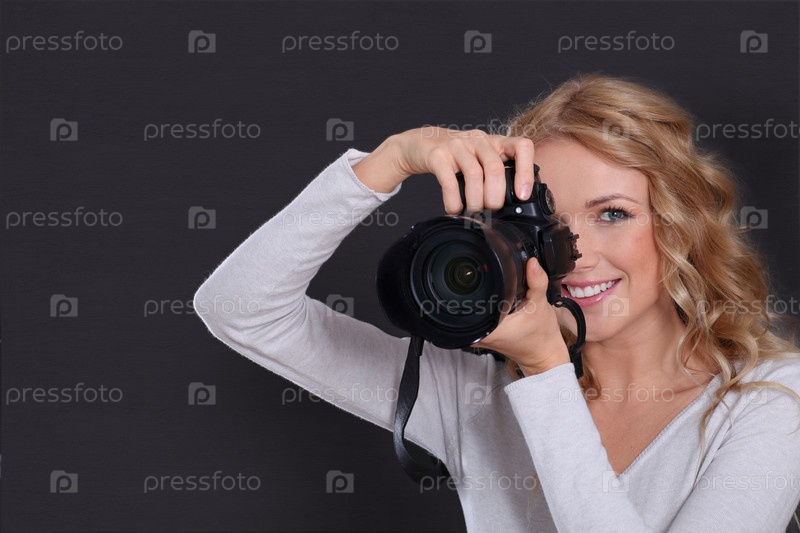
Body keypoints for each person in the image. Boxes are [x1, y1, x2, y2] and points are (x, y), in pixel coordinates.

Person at [194, 73, 800, 531]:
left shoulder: (773, 399)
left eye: (613, 214)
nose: (578, 254)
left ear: (680, 226)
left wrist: (545, 369)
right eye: (548, 224)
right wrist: (388, 162)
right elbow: (240, 308)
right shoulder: (475, 393)